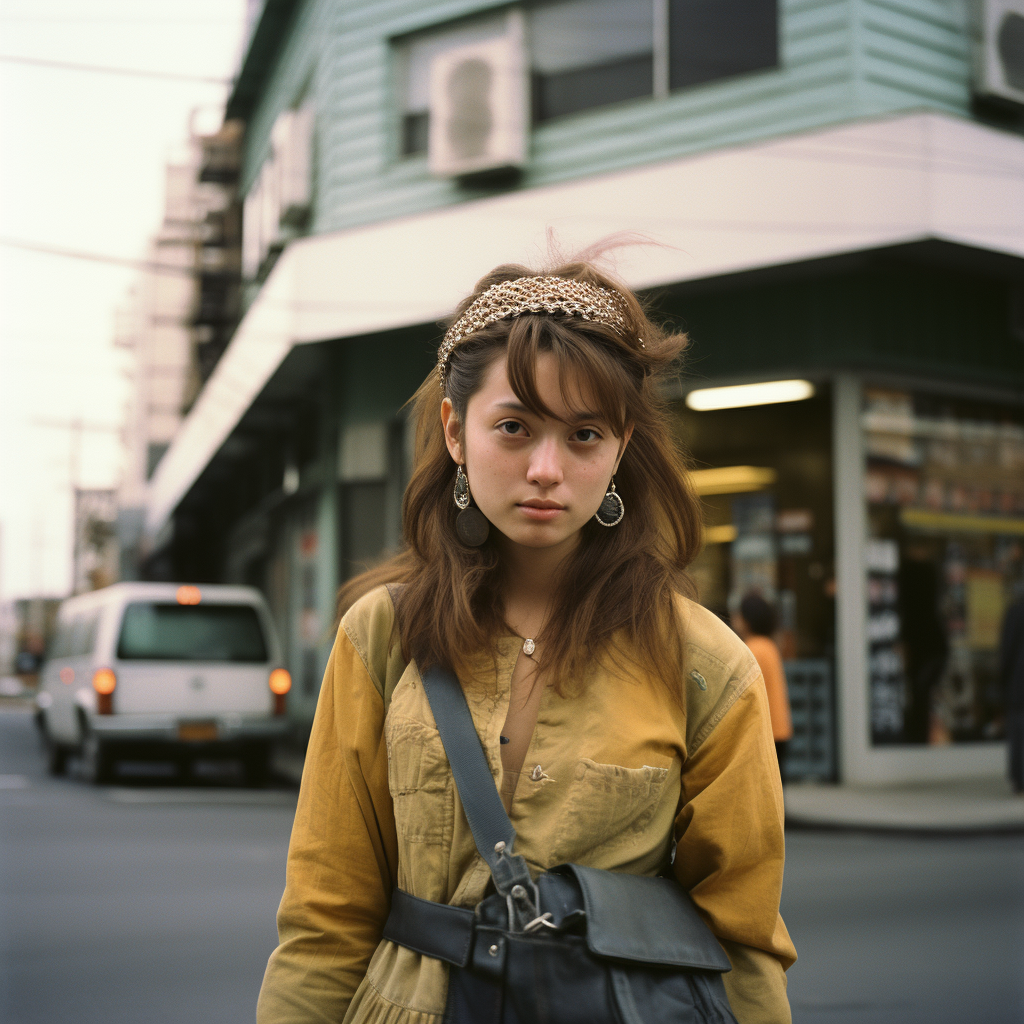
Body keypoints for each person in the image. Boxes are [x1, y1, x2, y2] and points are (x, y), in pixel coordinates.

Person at [256, 263, 797, 1024]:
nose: (547, 470)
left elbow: (742, 942)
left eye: (584, 435)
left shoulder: (706, 665)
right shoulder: (382, 634)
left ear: (620, 446)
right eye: (514, 427)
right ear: (455, 430)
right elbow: (324, 918)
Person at [733, 593, 793, 782]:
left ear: (747, 620)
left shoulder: (752, 648)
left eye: (739, 615)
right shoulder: (769, 645)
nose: (735, 619)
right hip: (780, 726)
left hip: (764, 731)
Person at [1000, 592, 1024, 794]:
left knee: (1018, 729)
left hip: (1018, 681)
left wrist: (1003, 678)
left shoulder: (1015, 610)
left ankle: (1019, 778)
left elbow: (1006, 649)